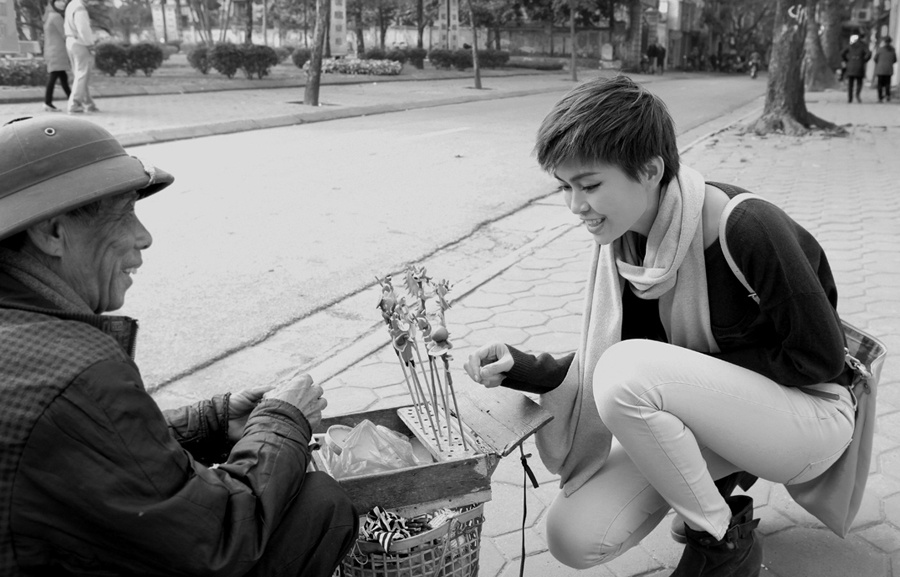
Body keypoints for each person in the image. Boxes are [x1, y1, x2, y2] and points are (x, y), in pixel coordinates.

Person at [464, 76, 855, 577]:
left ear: (649, 170)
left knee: (629, 374)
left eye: (590, 185)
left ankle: (720, 542)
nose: (576, 206)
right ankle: (714, 500)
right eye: (564, 186)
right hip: (713, 416)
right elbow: (620, 358)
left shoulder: (747, 226)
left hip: (810, 417)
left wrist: (693, 378)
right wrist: (522, 368)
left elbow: (821, 356)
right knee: (573, 535)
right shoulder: (628, 248)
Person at [0, 115, 358, 576]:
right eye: (123, 213)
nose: (143, 236)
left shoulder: (25, 338)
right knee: (318, 503)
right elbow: (221, 538)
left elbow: (88, 449)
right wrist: (282, 422)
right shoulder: (74, 368)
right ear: (52, 232)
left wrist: (210, 421)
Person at [63, 0, 98, 113]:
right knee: (82, 74)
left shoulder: (71, 5)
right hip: (80, 42)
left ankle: (88, 103)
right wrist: (90, 44)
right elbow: (83, 28)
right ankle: (75, 103)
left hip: (70, 40)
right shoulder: (80, 8)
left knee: (79, 74)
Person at [42, 0, 71, 112]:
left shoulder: (49, 16)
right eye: (59, 1)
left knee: (62, 77)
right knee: (54, 77)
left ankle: (72, 100)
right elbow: (65, 34)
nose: (62, 3)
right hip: (57, 51)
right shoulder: (56, 17)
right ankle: (48, 102)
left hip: (52, 51)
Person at [842, 34, 871, 103]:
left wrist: (847, 60)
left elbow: (842, 53)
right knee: (859, 82)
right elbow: (869, 53)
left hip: (851, 66)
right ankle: (857, 95)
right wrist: (864, 60)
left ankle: (850, 98)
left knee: (850, 83)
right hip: (859, 65)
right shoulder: (863, 46)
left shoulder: (850, 45)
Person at [874, 36, 897, 102]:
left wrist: (879, 63)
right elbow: (895, 60)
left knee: (880, 84)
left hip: (880, 69)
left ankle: (880, 98)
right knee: (887, 83)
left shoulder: (880, 49)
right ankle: (887, 95)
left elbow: (875, 59)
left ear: (884, 42)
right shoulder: (892, 50)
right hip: (888, 69)